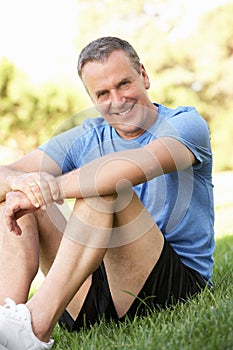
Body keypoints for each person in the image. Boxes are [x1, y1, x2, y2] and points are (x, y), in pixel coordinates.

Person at [0, 36, 214, 349]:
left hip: (175, 281)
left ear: (144, 75)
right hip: (94, 283)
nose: (117, 100)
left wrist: (49, 188)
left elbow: (129, 167)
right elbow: (5, 173)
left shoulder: (185, 124)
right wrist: (21, 184)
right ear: (92, 98)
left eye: (124, 84)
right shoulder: (85, 136)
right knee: (12, 196)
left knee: (104, 189)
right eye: (103, 93)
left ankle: (33, 330)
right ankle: (7, 322)